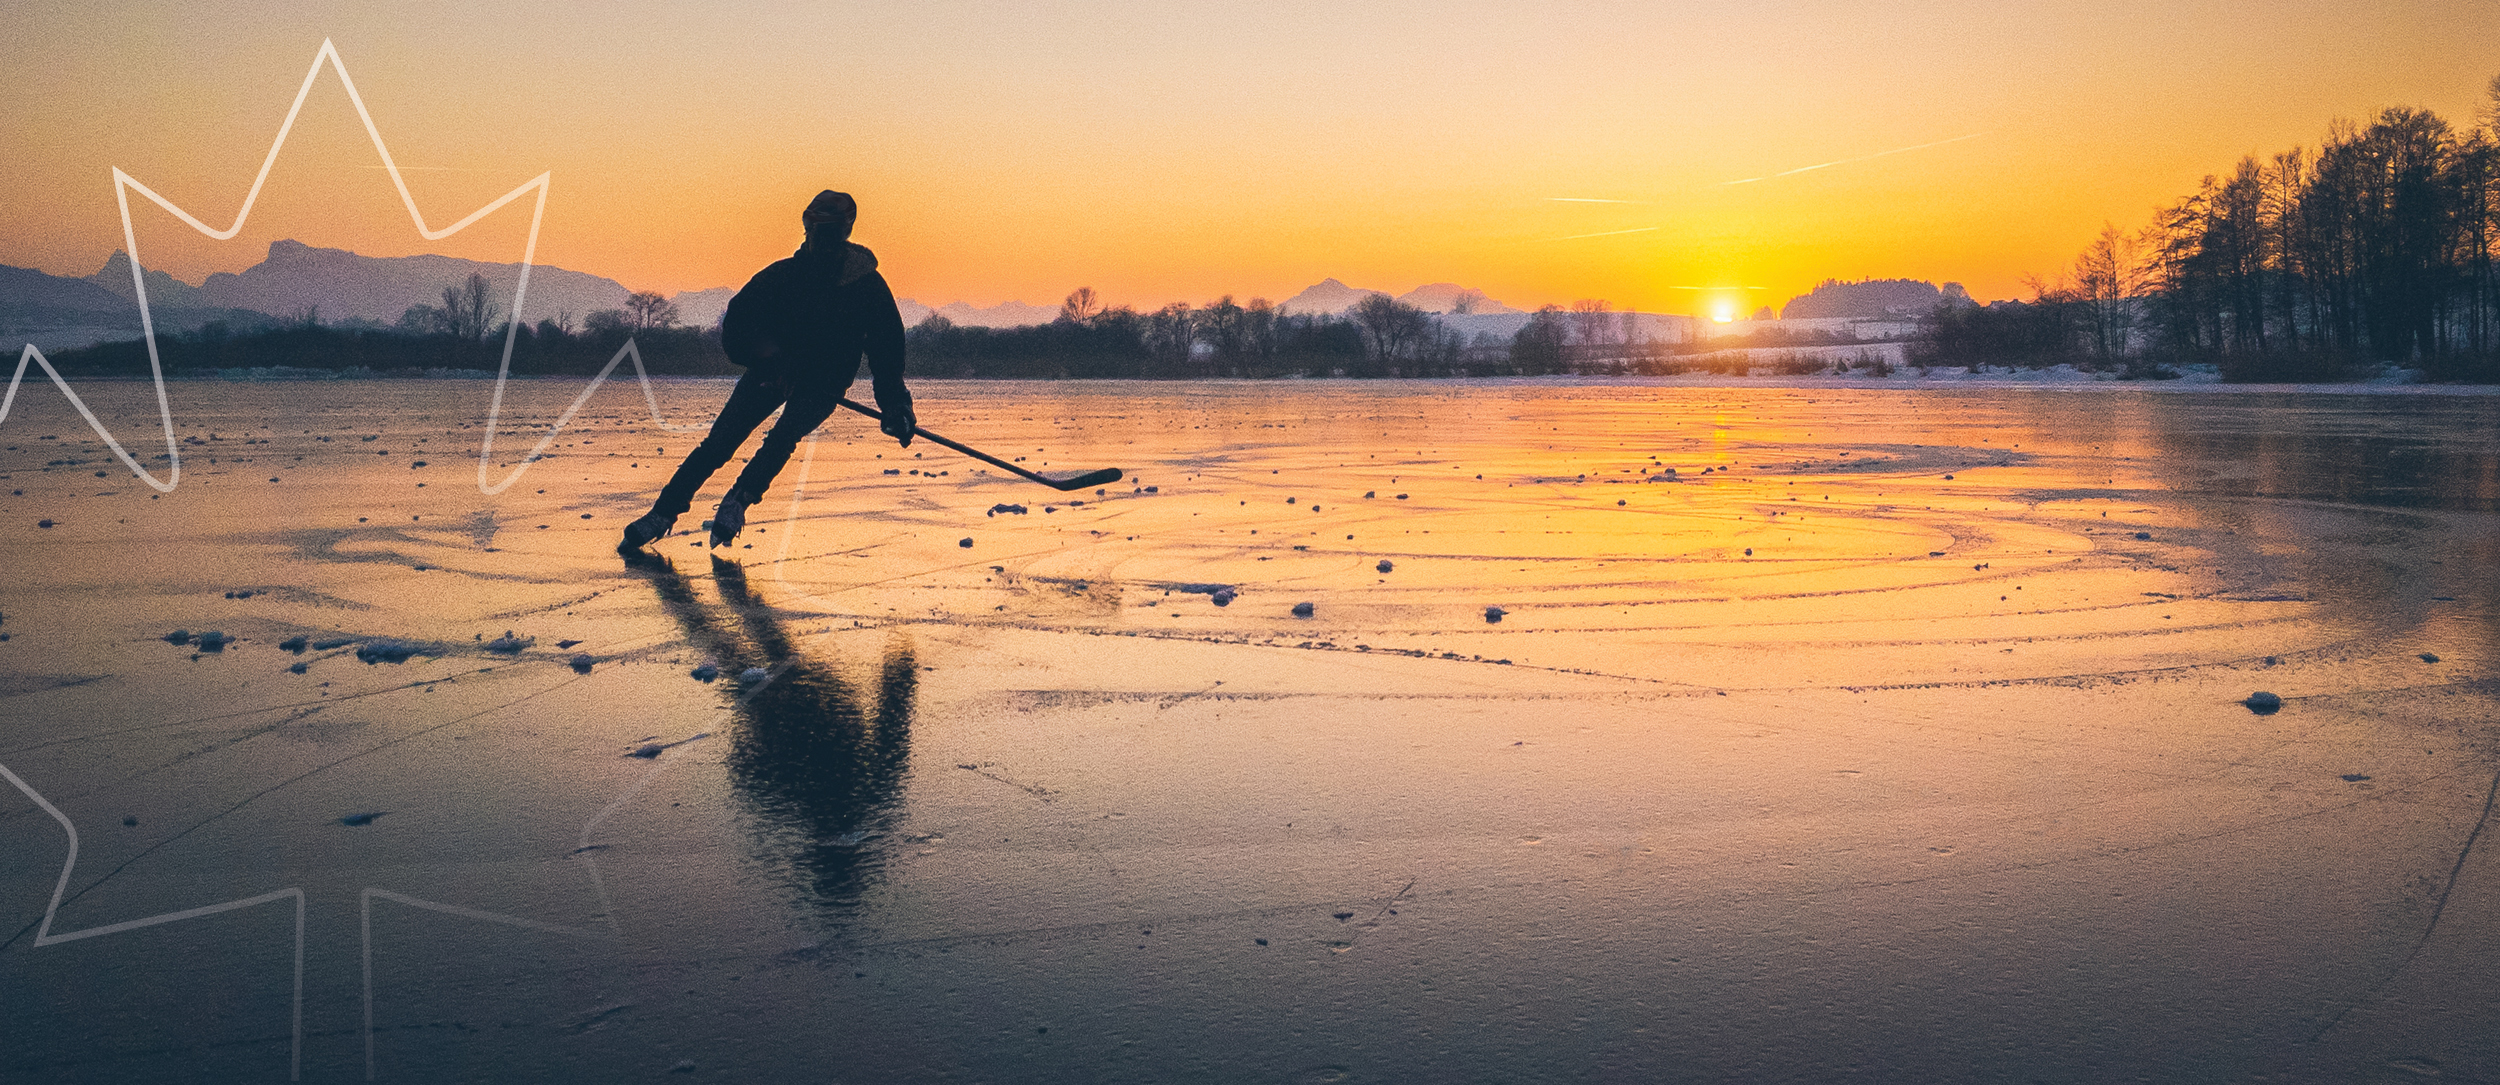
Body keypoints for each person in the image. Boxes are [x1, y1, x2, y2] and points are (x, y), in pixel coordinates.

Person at [621, 190, 915, 551]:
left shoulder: (867, 288)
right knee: (718, 444)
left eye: (833, 232)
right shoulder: (782, 277)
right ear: (807, 227)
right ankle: (663, 513)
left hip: (825, 383)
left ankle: (738, 502)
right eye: (818, 229)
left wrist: (895, 406)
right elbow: (739, 324)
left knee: (782, 438)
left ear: (846, 233)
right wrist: (772, 361)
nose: (823, 240)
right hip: (772, 372)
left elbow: (886, 350)